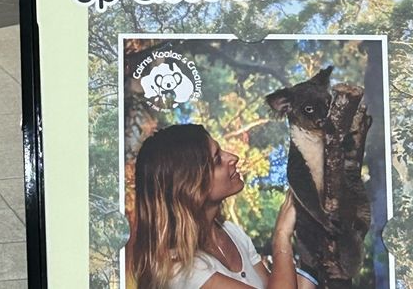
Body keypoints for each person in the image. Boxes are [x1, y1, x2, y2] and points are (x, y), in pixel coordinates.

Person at [128, 123, 314, 289]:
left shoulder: (231, 232)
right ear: (189, 186)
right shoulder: (179, 270)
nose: (233, 158)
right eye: (217, 160)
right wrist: (281, 236)